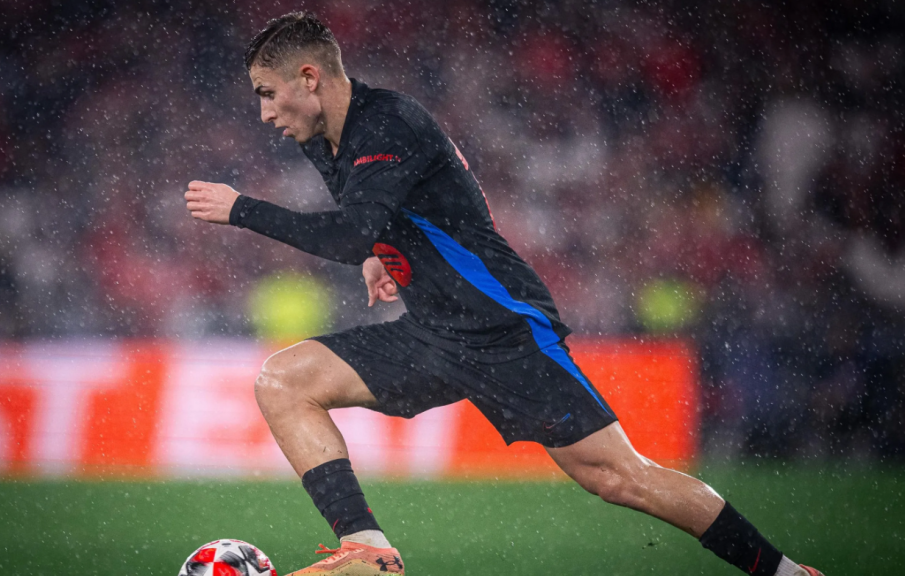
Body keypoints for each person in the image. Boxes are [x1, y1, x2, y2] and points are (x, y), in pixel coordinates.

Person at [183, 11, 824, 576]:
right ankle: (369, 551)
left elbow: (354, 229)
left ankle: (787, 573)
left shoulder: (388, 123)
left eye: (267, 94)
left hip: (502, 328)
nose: (264, 113)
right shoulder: (324, 136)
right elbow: (393, 218)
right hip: (433, 330)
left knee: (623, 479)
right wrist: (385, 254)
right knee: (283, 380)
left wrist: (244, 210)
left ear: (309, 77)